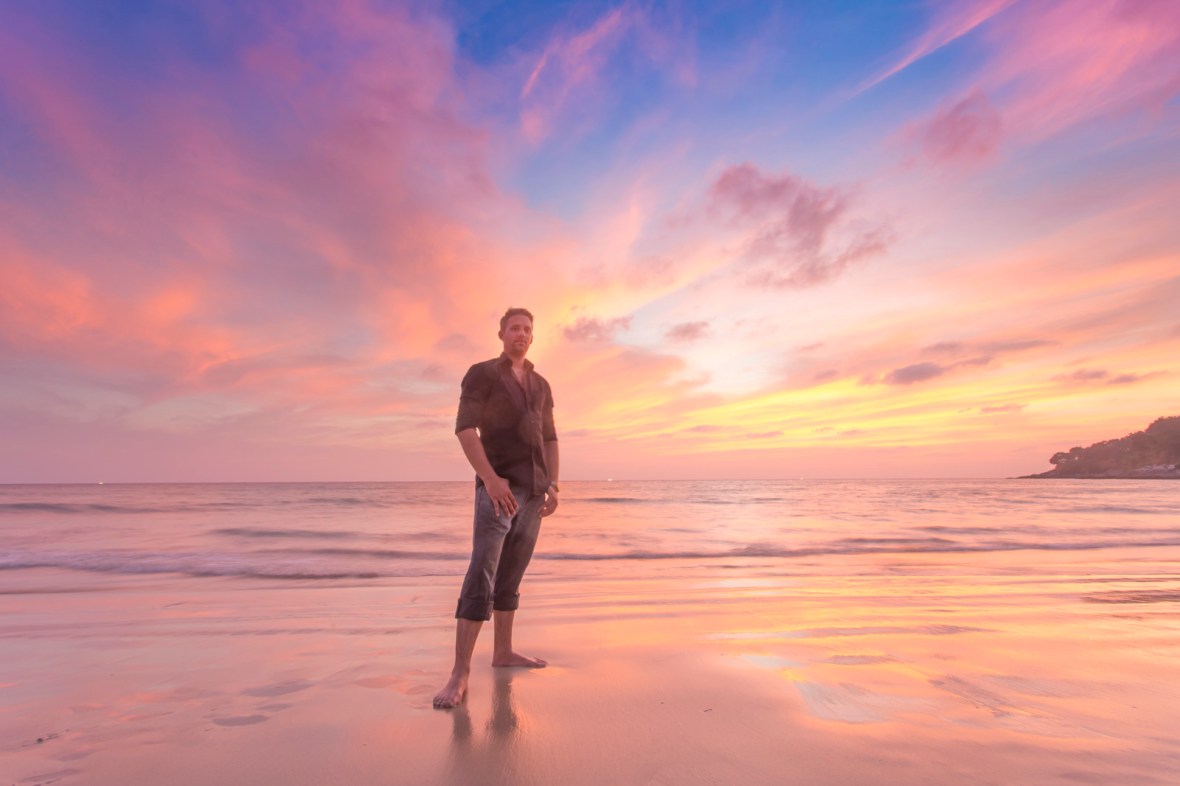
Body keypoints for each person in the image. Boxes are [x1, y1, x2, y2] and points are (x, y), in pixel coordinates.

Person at [433, 307, 560, 709]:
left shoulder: (541, 384)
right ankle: (460, 673)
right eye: (514, 328)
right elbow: (465, 428)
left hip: (534, 492)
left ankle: (503, 652)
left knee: (512, 574)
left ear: (533, 337)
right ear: (501, 334)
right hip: (498, 490)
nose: (520, 334)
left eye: (527, 329)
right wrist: (489, 479)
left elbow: (551, 438)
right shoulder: (483, 374)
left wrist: (553, 482)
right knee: (481, 572)